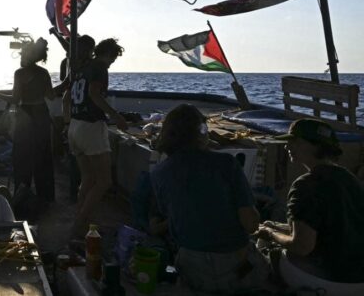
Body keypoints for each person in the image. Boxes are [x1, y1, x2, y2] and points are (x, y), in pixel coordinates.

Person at [150, 104, 267, 294]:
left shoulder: (158, 173)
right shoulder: (227, 164)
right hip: (235, 266)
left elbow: (171, 216)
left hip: (192, 268)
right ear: (201, 132)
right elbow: (251, 225)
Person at [256, 119, 364, 294]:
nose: (287, 146)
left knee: (266, 251)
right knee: (270, 225)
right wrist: (275, 227)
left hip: (333, 281)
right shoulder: (350, 179)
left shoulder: (306, 185)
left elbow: (302, 246)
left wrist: (270, 234)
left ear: (314, 146)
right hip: (359, 279)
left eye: (294, 141)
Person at [64, 37, 128, 239]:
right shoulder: (100, 67)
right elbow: (94, 93)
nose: (112, 63)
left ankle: (81, 220)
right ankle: (80, 224)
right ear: (110, 54)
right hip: (91, 128)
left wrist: (66, 123)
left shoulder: (81, 69)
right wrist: (115, 115)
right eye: (113, 58)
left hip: (74, 127)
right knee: (104, 181)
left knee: (88, 178)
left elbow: (67, 98)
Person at [0, 38, 56, 201]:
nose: (21, 57)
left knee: (22, 155)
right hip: (41, 113)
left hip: (25, 114)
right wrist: (66, 83)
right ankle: (45, 195)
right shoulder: (44, 73)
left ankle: (21, 191)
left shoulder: (19, 73)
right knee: (43, 154)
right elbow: (51, 96)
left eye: (22, 54)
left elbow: (15, 99)